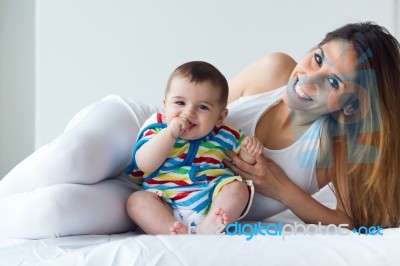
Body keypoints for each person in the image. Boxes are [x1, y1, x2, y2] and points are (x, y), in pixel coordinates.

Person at [0, 22, 399, 239]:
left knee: (47, 211)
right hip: (146, 131)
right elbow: (205, 98)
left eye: (333, 83)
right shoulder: (275, 69)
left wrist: (280, 188)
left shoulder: (337, 149)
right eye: (317, 58)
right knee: (69, 159)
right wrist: (172, 124)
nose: (308, 79)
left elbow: (348, 222)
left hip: (164, 201)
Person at [125, 61, 262, 235]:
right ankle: (172, 230)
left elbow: (243, 166)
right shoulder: (158, 128)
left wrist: (249, 152)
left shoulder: (226, 134)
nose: (188, 113)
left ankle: (211, 226)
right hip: (164, 200)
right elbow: (144, 164)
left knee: (238, 188)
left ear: (220, 117)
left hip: (211, 202)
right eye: (180, 103)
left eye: (202, 107)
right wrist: (169, 134)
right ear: (165, 105)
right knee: (136, 201)